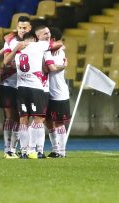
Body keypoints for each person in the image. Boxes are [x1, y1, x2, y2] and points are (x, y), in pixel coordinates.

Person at [14, 31, 59, 159]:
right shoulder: (39, 46)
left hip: (21, 88)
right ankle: (37, 150)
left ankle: (24, 151)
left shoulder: (17, 48)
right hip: (36, 88)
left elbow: (7, 62)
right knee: (38, 119)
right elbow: (57, 45)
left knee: (23, 120)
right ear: (35, 39)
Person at [0, 16, 32, 158]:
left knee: (22, 116)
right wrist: (17, 49)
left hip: (25, 84)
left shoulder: (34, 42)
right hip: (8, 82)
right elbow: (6, 62)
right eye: (20, 27)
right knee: (9, 117)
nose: (22, 30)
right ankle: (7, 150)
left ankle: (14, 148)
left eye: (25, 28)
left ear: (30, 28)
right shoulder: (10, 40)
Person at [44, 27, 71, 158]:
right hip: (47, 93)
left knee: (58, 122)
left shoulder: (58, 53)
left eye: (47, 37)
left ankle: (61, 152)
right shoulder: (51, 51)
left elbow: (51, 69)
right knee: (48, 121)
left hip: (59, 94)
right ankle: (56, 149)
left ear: (52, 40)